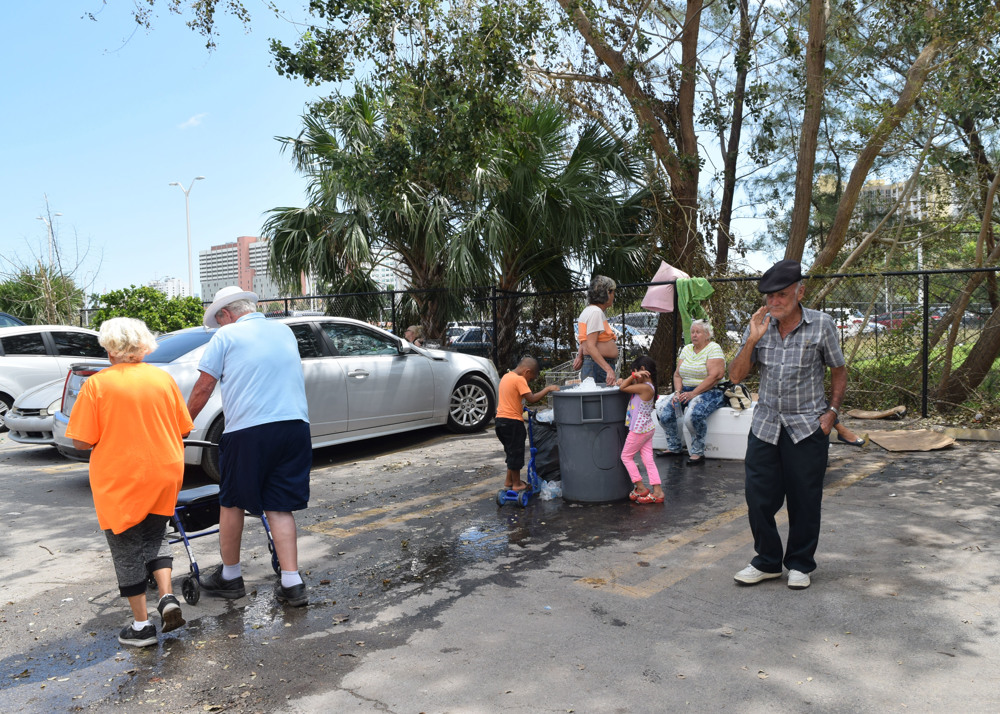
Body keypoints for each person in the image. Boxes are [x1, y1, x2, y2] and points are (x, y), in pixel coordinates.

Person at [65, 318, 194, 647]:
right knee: (155, 537)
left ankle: (141, 627)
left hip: (121, 475)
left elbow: (80, 441)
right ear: (143, 345)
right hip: (165, 469)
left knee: (126, 550)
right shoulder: (162, 379)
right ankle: (166, 597)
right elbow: (184, 428)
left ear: (110, 349)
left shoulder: (97, 384)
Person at [187, 286, 312, 607]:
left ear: (226, 314)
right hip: (295, 427)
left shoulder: (225, 338)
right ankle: (292, 582)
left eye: (220, 321)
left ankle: (230, 576)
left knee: (231, 503)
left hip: (250, 431)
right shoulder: (284, 333)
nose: (219, 327)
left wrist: (179, 427)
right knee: (279, 505)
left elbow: (203, 388)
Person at [728, 260, 847, 590]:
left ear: (800, 291)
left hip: (807, 427)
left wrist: (832, 412)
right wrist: (752, 340)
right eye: (769, 297)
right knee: (758, 497)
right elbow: (736, 376)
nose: (774, 302)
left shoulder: (821, 325)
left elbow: (838, 369)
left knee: (804, 499)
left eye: (781, 295)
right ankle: (766, 561)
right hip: (765, 426)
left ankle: (800, 563)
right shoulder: (759, 325)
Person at [656, 319, 726, 465]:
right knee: (664, 412)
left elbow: (715, 376)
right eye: (692, 332)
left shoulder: (713, 348)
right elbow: (677, 374)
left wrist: (693, 394)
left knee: (693, 416)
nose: (694, 335)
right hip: (686, 389)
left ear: (707, 334)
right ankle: (674, 447)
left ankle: (697, 452)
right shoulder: (687, 349)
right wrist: (677, 392)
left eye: (698, 332)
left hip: (710, 391)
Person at [495, 356, 560, 492]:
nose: (529, 382)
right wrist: (548, 389)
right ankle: (517, 484)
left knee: (510, 452)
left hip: (500, 421)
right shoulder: (519, 379)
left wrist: (521, 407)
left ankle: (509, 481)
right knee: (517, 454)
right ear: (527, 372)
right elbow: (532, 398)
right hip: (513, 422)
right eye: (530, 379)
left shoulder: (506, 377)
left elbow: (511, 399)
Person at [618, 356, 664, 504]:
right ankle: (658, 491)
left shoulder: (644, 387)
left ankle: (640, 488)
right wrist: (631, 377)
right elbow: (625, 384)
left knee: (626, 456)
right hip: (647, 428)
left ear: (642, 371)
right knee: (648, 459)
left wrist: (632, 377)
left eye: (635, 372)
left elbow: (622, 388)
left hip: (639, 430)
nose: (635, 376)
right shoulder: (649, 386)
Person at [573, 275, 619, 386]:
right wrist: (608, 370)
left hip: (594, 364)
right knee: (601, 402)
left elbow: (585, 339)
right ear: (607, 293)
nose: (614, 296)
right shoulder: (595, 313)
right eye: (613, 292)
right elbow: (590, 346)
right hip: (598, 367)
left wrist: (580, 356)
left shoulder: (588, 311)